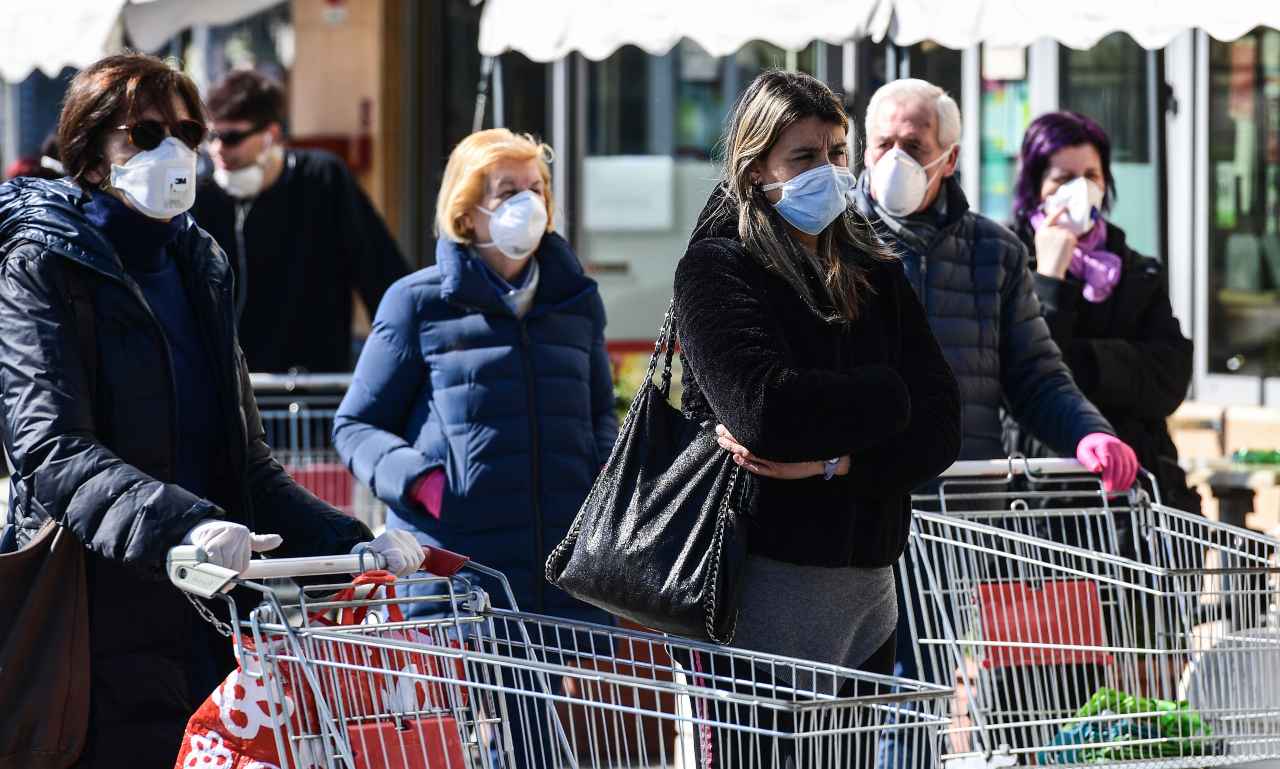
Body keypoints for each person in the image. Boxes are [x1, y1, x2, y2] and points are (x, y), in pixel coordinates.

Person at [0, 54, 423, 769]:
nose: (177, 150)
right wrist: (186, 522)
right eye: (146, 133)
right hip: (92, 632)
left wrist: (354, 546)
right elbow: (51, 447)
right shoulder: (43, 264)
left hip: (207, 628)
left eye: (188, 132)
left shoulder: (199, 263)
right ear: (92, 154)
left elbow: (246, 464)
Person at [674, 69, 962, 768]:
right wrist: (889, 395)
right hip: (765, 586)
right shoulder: (718, 268)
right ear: (755, 170)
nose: (829, 172)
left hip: (869, 589)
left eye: (837, 152)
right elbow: (766, 412)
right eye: (804, 157)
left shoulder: (872, 267)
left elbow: (942, 427)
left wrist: (839, 462)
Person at [1008, 111, 1200, 514]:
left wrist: (1085, 363)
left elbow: (1169, 378)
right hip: (1043, 497)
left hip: (1138, 495)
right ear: (1035, 187)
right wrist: (1049, 278)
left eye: (1091, 176)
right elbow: (1027, 374)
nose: (1080, 190)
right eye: (1062, 179)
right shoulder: (1005, 261)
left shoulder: (1137, 270)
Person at [191, 69, 408, 373]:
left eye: (232, 137)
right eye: (211, 136)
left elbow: (380, 272)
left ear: (272, 135)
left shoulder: (324, 179)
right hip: (230, 390)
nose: (218, 149)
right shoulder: (200, 196)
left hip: (312, 387)